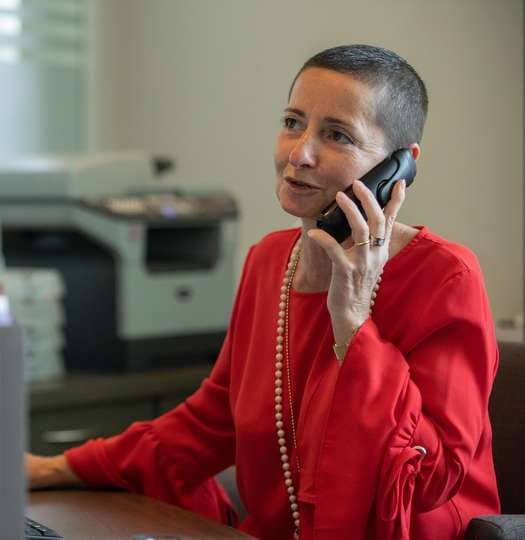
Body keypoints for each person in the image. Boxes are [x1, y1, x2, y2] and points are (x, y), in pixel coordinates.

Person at [26, 44, 500, 540]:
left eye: (337, 135)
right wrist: (53, 468)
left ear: (400, 165)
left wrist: (355, 323)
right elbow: (209, 423)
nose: (300, 153)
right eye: (294, 122)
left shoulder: (446, 278)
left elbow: (431, 480)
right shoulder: (269, 260)